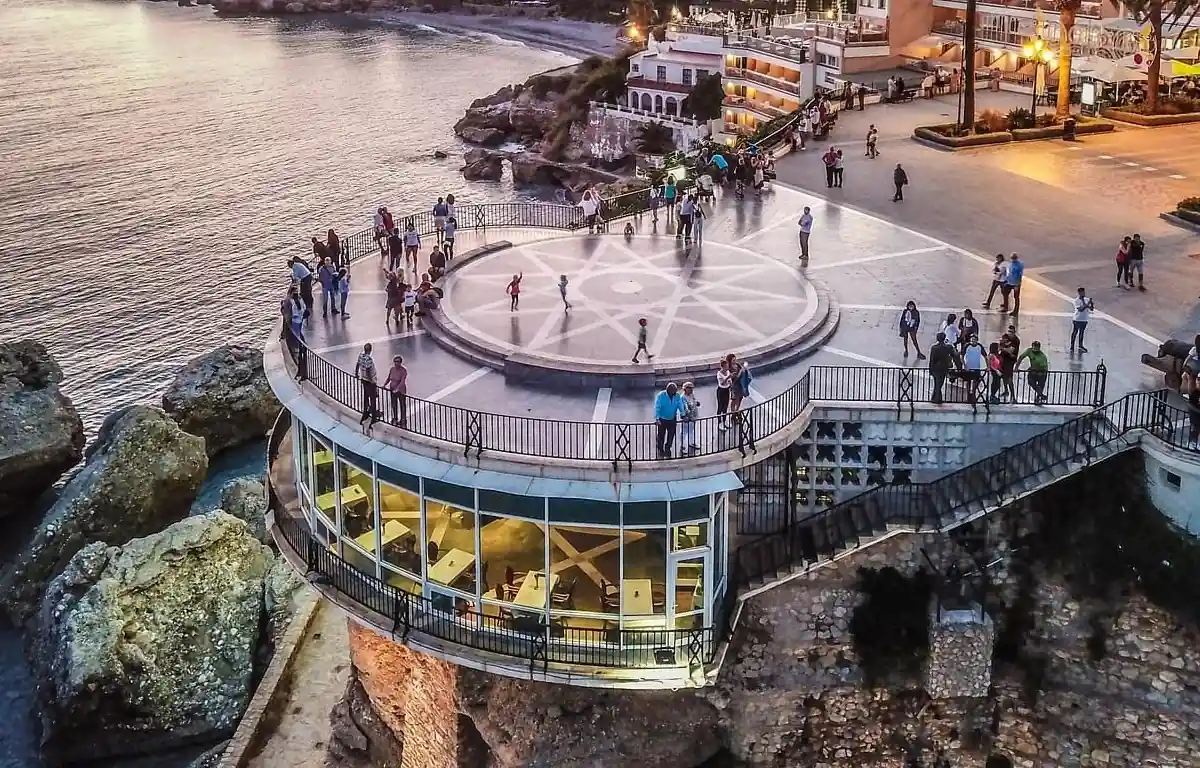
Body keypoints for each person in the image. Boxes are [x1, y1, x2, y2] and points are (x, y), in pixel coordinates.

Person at [928, 332, 962, 405]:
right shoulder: (948, 347)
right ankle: (937, 399)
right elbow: (955, 354)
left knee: (937, 384)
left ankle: (935, 398)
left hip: (935, 368)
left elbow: (932, 360)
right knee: (939, 384)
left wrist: (930, 370)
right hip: (944, 368)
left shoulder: (934, 348)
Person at [654, 382, 686, 457]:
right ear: (668, 391)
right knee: (661, 435)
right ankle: (660, 448)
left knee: (671, 435)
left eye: (675, 392)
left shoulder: (677, 396)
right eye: (673, 392)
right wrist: (657, 418)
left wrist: (683, 414)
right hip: (662, 419)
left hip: (672, 418)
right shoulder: (661, 396)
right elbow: (657, 407)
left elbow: (680, 405)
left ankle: (668, 447)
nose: (674, 394)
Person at [355, 343, 379, 427]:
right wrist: (371, 380)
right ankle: (373, 416)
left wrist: (356, 373)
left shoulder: (361, 356)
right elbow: (368, 370)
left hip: (363, 379)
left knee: (366, 396)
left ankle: (366, 412)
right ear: (370, 349)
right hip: (369, 381)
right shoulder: (369, 359)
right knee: (373, 398)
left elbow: (357, 364)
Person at [961, 333, 987, 404]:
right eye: (972, 339)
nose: (973, 340)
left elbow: (985, 356)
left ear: (977, 340)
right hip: (968, 367)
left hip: (976, 367)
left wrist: (987, 366)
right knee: (968, 382)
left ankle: (973, 394)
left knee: (976, 381)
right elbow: (961, 356)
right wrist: (964, 365)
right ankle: (968, 396)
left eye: (974, 339)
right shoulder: (966, 346)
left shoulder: (980, 346)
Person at [383, 355, 408, 427]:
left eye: (398, 362)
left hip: (401, 391)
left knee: (402, 405)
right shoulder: (392, 369)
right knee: (394, 405)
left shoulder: (403, 370)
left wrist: (397, 389)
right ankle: (395, 418)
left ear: (400, 363)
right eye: (395, 361)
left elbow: (402, 381)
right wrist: (385, 384)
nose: (396, 363)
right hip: (392, 390)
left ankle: (403, 420)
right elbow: (388, 378)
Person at [1069, 287, 1094, 354]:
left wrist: (1091, 304)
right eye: (1082, 292)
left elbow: (1091, 309)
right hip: (1077, 319)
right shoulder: (1076, 301)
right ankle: (1072, 346)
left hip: (1084, 319)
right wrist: (1088, 304)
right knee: (1075, 332)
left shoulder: (1087, 299)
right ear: (1079, 293)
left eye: (1084, 292)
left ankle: (1080, 345)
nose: (1083, 293)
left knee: (1082, 333)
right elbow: (1080, 309)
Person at [680, 381, 701, 453]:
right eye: (690, 388)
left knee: (691, 430)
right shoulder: (682, 397)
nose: (691, 390)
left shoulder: (692, 395)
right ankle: (682, 445)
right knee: (684, 431)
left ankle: (691, 443)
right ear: (685, 389)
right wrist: (686, 416)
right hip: (687, 417)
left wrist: (697, 403)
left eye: (692, 388)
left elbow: (694, 401)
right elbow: (684, 408)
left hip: (693, 415)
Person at [716, 357, 733, 429]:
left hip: (727, 390)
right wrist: (727, 377)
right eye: (726, 366)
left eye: (728, 366)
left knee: (726, 406)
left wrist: (730, 382)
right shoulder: (719, 374)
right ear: (722, 367)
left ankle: (724, 421)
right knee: (720, 406)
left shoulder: (728, 372)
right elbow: (722, 383)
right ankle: (719, 422)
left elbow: (729, 380)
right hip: (721, 391)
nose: (727, 368)